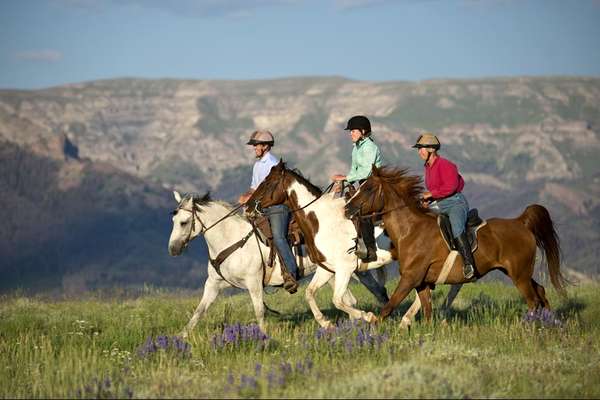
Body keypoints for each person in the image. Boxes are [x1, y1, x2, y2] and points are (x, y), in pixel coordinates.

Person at [238, 130, 300, 293]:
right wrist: (246, 196)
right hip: (263, 206)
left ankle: (291, 274)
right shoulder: (258, 165)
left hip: (278, 206)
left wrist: (253, 198)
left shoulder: (273, 164)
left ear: (265, 146)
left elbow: (272, 191)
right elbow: (255, 188)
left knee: (279, 237)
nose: (254, 148)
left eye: (256, 145)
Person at [413, 133, 476, 280]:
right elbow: (436, 190)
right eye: (418, 149)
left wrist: (430, 195)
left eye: (421, 148)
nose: (419, 152)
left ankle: (469, 264)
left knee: (456, 228)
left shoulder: (447, 165)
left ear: (431, 149)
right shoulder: (427, 167)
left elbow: (451, 187)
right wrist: (428, 200)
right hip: (440, 203)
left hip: (455, 203)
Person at [331, 115, 383, 262]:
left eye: (353, 131)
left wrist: (346, 178)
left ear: (363, 131)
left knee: (362, 209)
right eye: (351, 131)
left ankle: (370, 249)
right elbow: (354, 171)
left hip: (374, 185)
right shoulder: (356, 148)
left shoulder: (370, 147)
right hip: (362, 185)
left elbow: (367, 171)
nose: (351, 134)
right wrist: (345, 179)